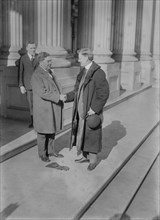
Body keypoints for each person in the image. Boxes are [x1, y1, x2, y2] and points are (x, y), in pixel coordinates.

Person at [65, 48, 109, 170]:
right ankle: (85, 156)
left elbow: (104, 93)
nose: (78, 60)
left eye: (80, 57)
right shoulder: (83, 71)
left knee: (92, 133)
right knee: (82, 132)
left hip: (91, 110)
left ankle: (93, 161)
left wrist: (94, 109)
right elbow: (76, 91)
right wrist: (67, 97)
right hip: (81, 109)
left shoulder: (98, 73)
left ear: (87, 57)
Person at [31, 52, 65, 162]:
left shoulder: (49, 72)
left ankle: (50, 151)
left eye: (51, 60)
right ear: (41, 62)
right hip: (43, 109)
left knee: (51, 130)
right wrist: (58, 97)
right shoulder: (36, 75)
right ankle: (42, 154)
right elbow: (42, 92)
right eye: (48, 61)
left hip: (51, 107)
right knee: (42, 132)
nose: (51, 63)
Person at [18, 41, 37, 128]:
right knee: (31, 105)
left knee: (39, 104)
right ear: (27, 48)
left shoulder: (38, 57)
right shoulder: (23, 58)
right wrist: (21, 85)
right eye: (31, 48)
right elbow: (20, 72)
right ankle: (33, 122)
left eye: (34, 48)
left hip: (38, 86)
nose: (33, 50)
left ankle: (39, 122)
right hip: (28, 86)